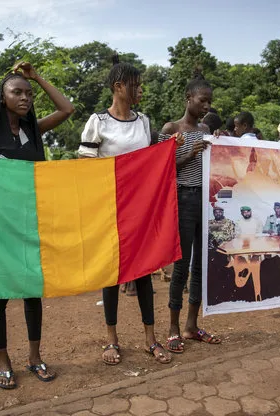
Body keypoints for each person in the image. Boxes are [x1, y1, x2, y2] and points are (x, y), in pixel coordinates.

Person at [0, 61, 74, 388]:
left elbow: (67, 108)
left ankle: (34, 357)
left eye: (28, 93)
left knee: (32, 292)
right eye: (17, 91)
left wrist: (36, 77)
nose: (25, 97)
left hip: (30, 222)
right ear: (2, 97)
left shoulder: (32, 129)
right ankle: (3, 362)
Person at [79, 55, 179, 365]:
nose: (140, 91)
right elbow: (86, 164)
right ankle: (112, 341)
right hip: (110, 210)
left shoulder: (144, 121)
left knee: (145, 273)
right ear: (118, 87)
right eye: (135, 85)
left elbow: (151, 163)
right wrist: (119, 175)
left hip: (141, 211)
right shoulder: (98, 122)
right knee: (112, 275)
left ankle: (151, 339)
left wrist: (170, 148)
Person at [159, 71, 222, 354]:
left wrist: (219, 145)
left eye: (209, 102)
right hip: (182, 199)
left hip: (204, 202)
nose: (206, 107)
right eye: (202, 101)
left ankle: (191, 325)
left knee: (201, 265)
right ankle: (173, 328)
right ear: (188, 98)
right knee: (182, 265)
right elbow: (160, 171)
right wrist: (189, 154)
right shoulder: (171, 129)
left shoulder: (207, 131)